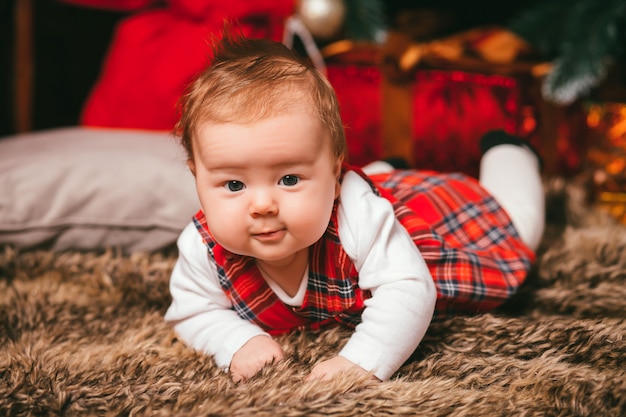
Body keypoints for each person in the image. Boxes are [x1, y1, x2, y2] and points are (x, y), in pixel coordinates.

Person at [164, 32, 545, 383]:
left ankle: (509, 151)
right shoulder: (203, 248)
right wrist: (236, 340)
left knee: (515, 222)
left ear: (335, 170)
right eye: (234, 184)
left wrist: (361, 360)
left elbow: (409, 290)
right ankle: (384, 169)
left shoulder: (357, 218)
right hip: (357, 191)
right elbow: (192, 310)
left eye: (289, 179)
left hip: (434, 220)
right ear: (196, 176)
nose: (262, 205)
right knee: (363, 188)